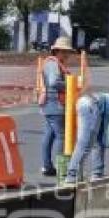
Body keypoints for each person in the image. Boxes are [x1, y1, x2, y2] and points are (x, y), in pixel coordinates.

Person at [39, 36, 76, 177]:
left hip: (50, 105)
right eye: (65, 51)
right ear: (58, 51)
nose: (67, 55)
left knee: (49, 135)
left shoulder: (53, 63)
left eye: (68, 52)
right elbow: (54, 82)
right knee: (61, 136)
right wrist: (71, 83)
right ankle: (62, 169)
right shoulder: (53, 64)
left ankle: (47, 166)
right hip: (56, 105)